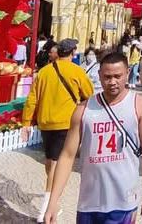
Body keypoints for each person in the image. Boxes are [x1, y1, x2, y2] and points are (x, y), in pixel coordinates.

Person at [43, 52, 142, 224]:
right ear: (99, 76)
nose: (112, 82)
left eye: (118, 76)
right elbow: (67, 155)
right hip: (89, 202)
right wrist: (53, 201)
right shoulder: (83, 110)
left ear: (127, 73)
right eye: (107, 77)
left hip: (123, 200)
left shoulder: (140, 106)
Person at [21, 39, 94, 223]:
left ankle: (53, 197)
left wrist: (26, 122)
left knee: (50, 160)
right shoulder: (77, 71)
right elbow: (89, 94)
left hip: (45, 123)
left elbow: (31, 99)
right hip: (65, 123)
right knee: (56, 163)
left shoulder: (44, 71)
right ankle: (48, 205)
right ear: (72, 53)